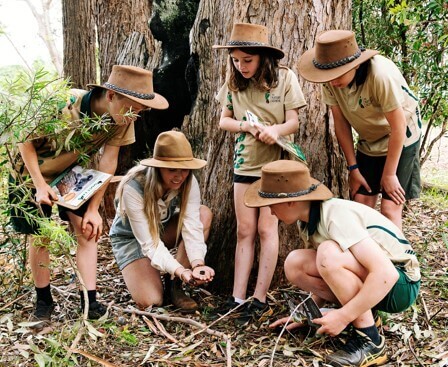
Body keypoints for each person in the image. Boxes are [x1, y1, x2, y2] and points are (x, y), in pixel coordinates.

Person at [9, 65, 169, 329]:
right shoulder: (61, 103)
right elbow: (23, 139)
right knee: (42, 235)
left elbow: (109, 162)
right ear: (110, 96)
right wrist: (39, 185)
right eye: (132, 108)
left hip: (68, 174)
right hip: (29, 173)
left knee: (88, 230)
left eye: (140, 111)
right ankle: (43, 302)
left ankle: (89, 301)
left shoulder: (123, 119)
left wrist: (94, 207)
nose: (134, 116)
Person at [244, 160, 421, 367]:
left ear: (290, 201)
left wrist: (343, 316)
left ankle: (371, 341)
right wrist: (307, 314)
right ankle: (367, 316)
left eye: (271, 205)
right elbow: (326, 272)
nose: (271, 212)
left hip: (401, 284)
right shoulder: (307, 221)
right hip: (378, 283)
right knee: (295, 263)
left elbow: (386, 273)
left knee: (328, 253)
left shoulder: (335, 215)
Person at [212, 22, 307, 325]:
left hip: (276, 168)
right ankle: (237, 298)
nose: (241, 66)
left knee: (268, 230)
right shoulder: (233, 84)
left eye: (247, 60)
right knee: (244, 231)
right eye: (236, 60)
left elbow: (293, 121)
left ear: (263, 58)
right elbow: (223, 121)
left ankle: (260, 299)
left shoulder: (286, 79)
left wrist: (274, 130)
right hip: (245, 164)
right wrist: (246, 126)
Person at [298, 30, 421, 230]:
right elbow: (340, 123)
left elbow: (399, 126)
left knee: (390, 208)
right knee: (361, 204)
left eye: (337, 75)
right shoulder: (330, 79)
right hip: (369, 140)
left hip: (402, 136)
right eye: (328, 76)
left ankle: (397, 260)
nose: (332, 82)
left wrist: (389, 175)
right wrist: (353, 168)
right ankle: (366, 258)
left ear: (354, 64)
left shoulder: (380, 75)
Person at [109, 131, 215, 313]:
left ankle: (175, 285)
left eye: (184, 169)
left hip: (161, 229)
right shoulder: (133, 187)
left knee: (203, 214)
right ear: (158, 168)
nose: (179, 176)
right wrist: (181, 270)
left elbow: (191, 225)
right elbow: (149, 244)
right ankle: (166, 274)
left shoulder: (189, 181)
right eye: (172, 169)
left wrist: (197, 264)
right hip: (132, 239)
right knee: (152, 300)